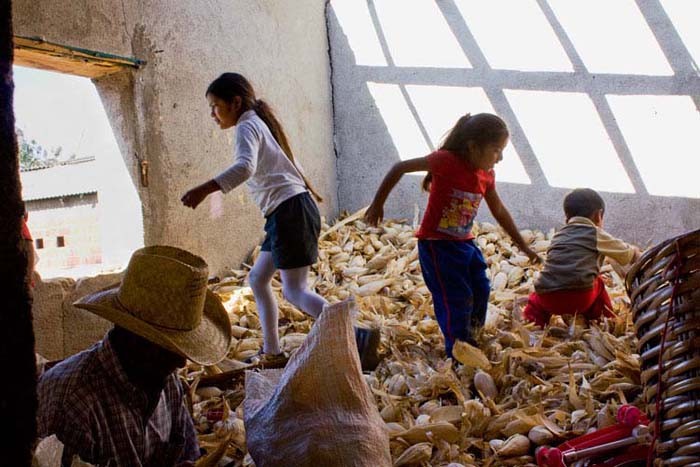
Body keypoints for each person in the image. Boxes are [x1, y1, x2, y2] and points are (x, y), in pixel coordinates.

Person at [181, 73, 378, 369]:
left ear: (234, 102)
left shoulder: (247, 125)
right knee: (258, 279)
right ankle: (272, 352)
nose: (212, 114)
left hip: (290, 212)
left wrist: (205, 189)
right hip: (286, 212)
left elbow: (244, 167)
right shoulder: (260, 125)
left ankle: (358, 335)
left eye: (215, 106)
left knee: (294, 290)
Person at [36, 245, 233, 466]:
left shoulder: (166, 382)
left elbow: (188, 451)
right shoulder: (75, 404)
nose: (181, 362)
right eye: (169, 348)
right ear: (134, 337)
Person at [365, 113, 539, 359]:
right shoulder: (445, 161)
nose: (500, 158)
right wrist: (377, 204)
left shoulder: (486, 174)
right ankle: (458, 350)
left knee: (481, 287)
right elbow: (400, 167)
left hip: (464, 243)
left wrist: (523, 246)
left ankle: (473, 334)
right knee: (455, 297)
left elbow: (498, 210)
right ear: (473, 147)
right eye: (496, 150)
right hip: (438, 246)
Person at [523, 188, 641, 327]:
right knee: (599, 283)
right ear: (598, 216)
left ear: (567, 218)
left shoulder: (559, 235)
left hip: (548, 297)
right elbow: (626, 255)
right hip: (580, 298)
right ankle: (605, 319)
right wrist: (636, 252)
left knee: (536, 299)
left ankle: (534, 324)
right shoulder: (594, 233)